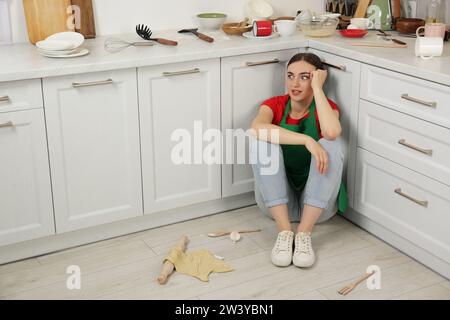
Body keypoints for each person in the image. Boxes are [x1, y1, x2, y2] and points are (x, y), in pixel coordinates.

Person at [250, 52, 347, 268]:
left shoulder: (326, 107)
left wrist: (319, 89)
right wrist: (306, 140)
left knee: (331, 144)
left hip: (316, 208)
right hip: (276, 206)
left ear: (316, 79)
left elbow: (331, 131)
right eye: (290, 76)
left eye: (305, 77)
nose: (295, 83)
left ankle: (303, 235)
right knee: (262, 141)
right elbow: (257, 128)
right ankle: (284, 232)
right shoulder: (274, 104)